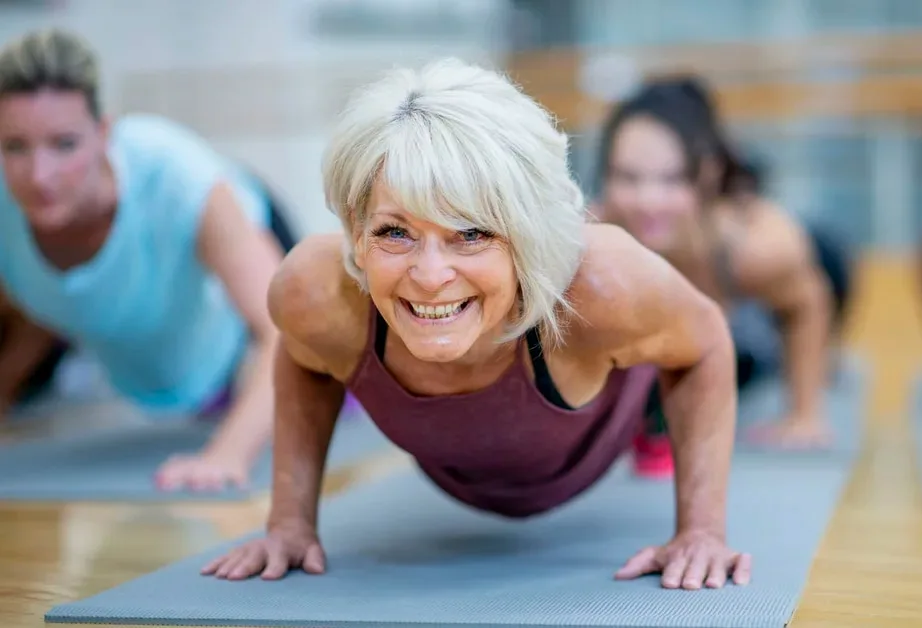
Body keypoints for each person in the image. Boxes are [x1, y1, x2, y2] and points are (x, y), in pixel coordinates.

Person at [199, 59, 751, 590]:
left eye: (470, 233)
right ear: (356, 230)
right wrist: (290, 523)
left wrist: (701, 531)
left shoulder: (606, 284)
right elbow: (301, 356)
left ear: (526, 234)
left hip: (604, 407)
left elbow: (704, 346)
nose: (430, 275)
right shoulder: (314, 291)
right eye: (395, 232)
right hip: (471, 461)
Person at [0, 28, 297, 491]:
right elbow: (53, 307)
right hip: (148, 334)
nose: (40, 176)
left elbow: (284, 330)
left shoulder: (178, 178)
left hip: (249, 239)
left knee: (317, 351)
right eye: (15, 147)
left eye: (64, 145)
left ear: (102, 134)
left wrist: (226, 456)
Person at [592, 80, 852, 456]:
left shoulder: (758, 248)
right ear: (606, 177)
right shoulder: (593, 232)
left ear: (706, 175)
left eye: (672, 179)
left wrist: (804, 414)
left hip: (791, 286)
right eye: (628, 178)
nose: (648, 201)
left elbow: (808, 303)